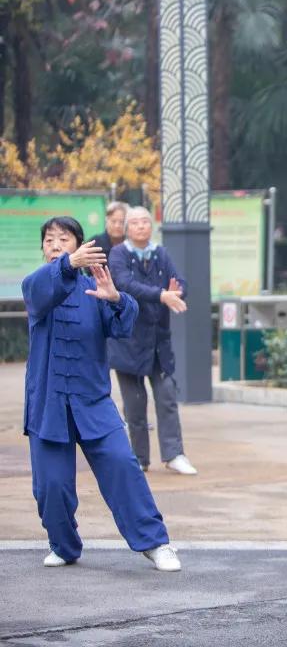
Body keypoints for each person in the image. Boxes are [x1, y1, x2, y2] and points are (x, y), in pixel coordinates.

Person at [22, 216, 180, 571]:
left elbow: (123, 327)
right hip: (48, 405)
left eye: (64, 239)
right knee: (51, 487)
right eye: (49, 240)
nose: (56, 245)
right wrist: (66, 264)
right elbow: (37, 293)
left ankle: (156, 543)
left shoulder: (96, 286)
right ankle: (63, 546)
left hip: (93, 403)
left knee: (124, 466)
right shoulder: (38, 286)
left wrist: (117, 300)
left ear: (80, 246)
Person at [107, 206, 197, 475]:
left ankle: (174, 454)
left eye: (145, 221)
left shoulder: (160, 253)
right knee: (135, 404)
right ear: (126, 228)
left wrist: (176, 291)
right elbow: (124, 285)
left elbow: (178, 281)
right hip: (129, 342)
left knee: (167, 396)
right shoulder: (119, 254)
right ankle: (139, 458)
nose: (141, 227)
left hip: (159, 342)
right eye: (134, 222)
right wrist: (161, 295)